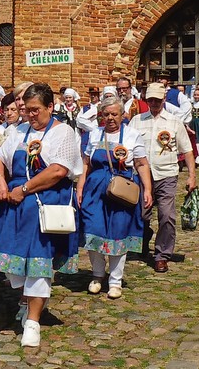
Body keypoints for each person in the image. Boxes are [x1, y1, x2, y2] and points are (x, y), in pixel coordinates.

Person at [0, 83, 82, 347]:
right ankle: (27, 299)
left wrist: (24, 189)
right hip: (15, 203)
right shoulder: (18, 131)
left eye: (36, 110)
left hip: (45, 203)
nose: (31, 115)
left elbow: (58, 170)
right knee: (12, 262)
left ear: (50, 107)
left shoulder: (63, 132)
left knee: (38, 261)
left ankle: (33, 320)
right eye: (27, 110)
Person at [77, 97, 153, 299]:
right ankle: (97, 274)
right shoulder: (94, 134)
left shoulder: (132, 135)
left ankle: (115, 281)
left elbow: (141, 164)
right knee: (92, 230)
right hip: (95, 190)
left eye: (114, 114)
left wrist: (147, 189)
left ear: (122, 115)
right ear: (101, 115)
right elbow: (86, 163)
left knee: (118, 233)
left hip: (121, 191)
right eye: (106, 114)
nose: (110, 118)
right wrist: (80, 187)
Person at [129, 83, 196, 273]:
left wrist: (192, 176)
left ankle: (162, 255)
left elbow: (188, 151)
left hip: (166, 174)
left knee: (166, 215)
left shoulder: (174, 122)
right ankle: (143, 236)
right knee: (141, 215)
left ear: (163, 99)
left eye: (157, 100)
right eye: (150, 100)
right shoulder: (137, 121)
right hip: (142, 176)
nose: (154, 103)